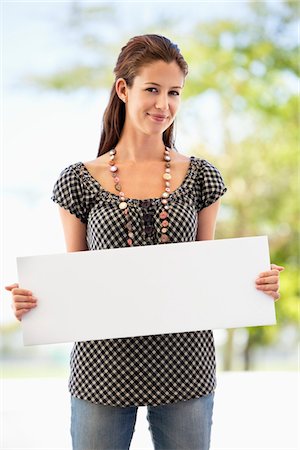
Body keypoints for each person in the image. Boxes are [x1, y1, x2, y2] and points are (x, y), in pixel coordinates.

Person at [5, 34, 284, 450]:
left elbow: (204, 271)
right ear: (123, 89)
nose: (164, 104)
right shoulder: (78, 180)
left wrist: (255, 285)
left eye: (174, 93)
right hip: (103, 366)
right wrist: (33, 302)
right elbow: (75, 279)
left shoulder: (202, 177)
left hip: (185, 363)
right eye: (152, 89)